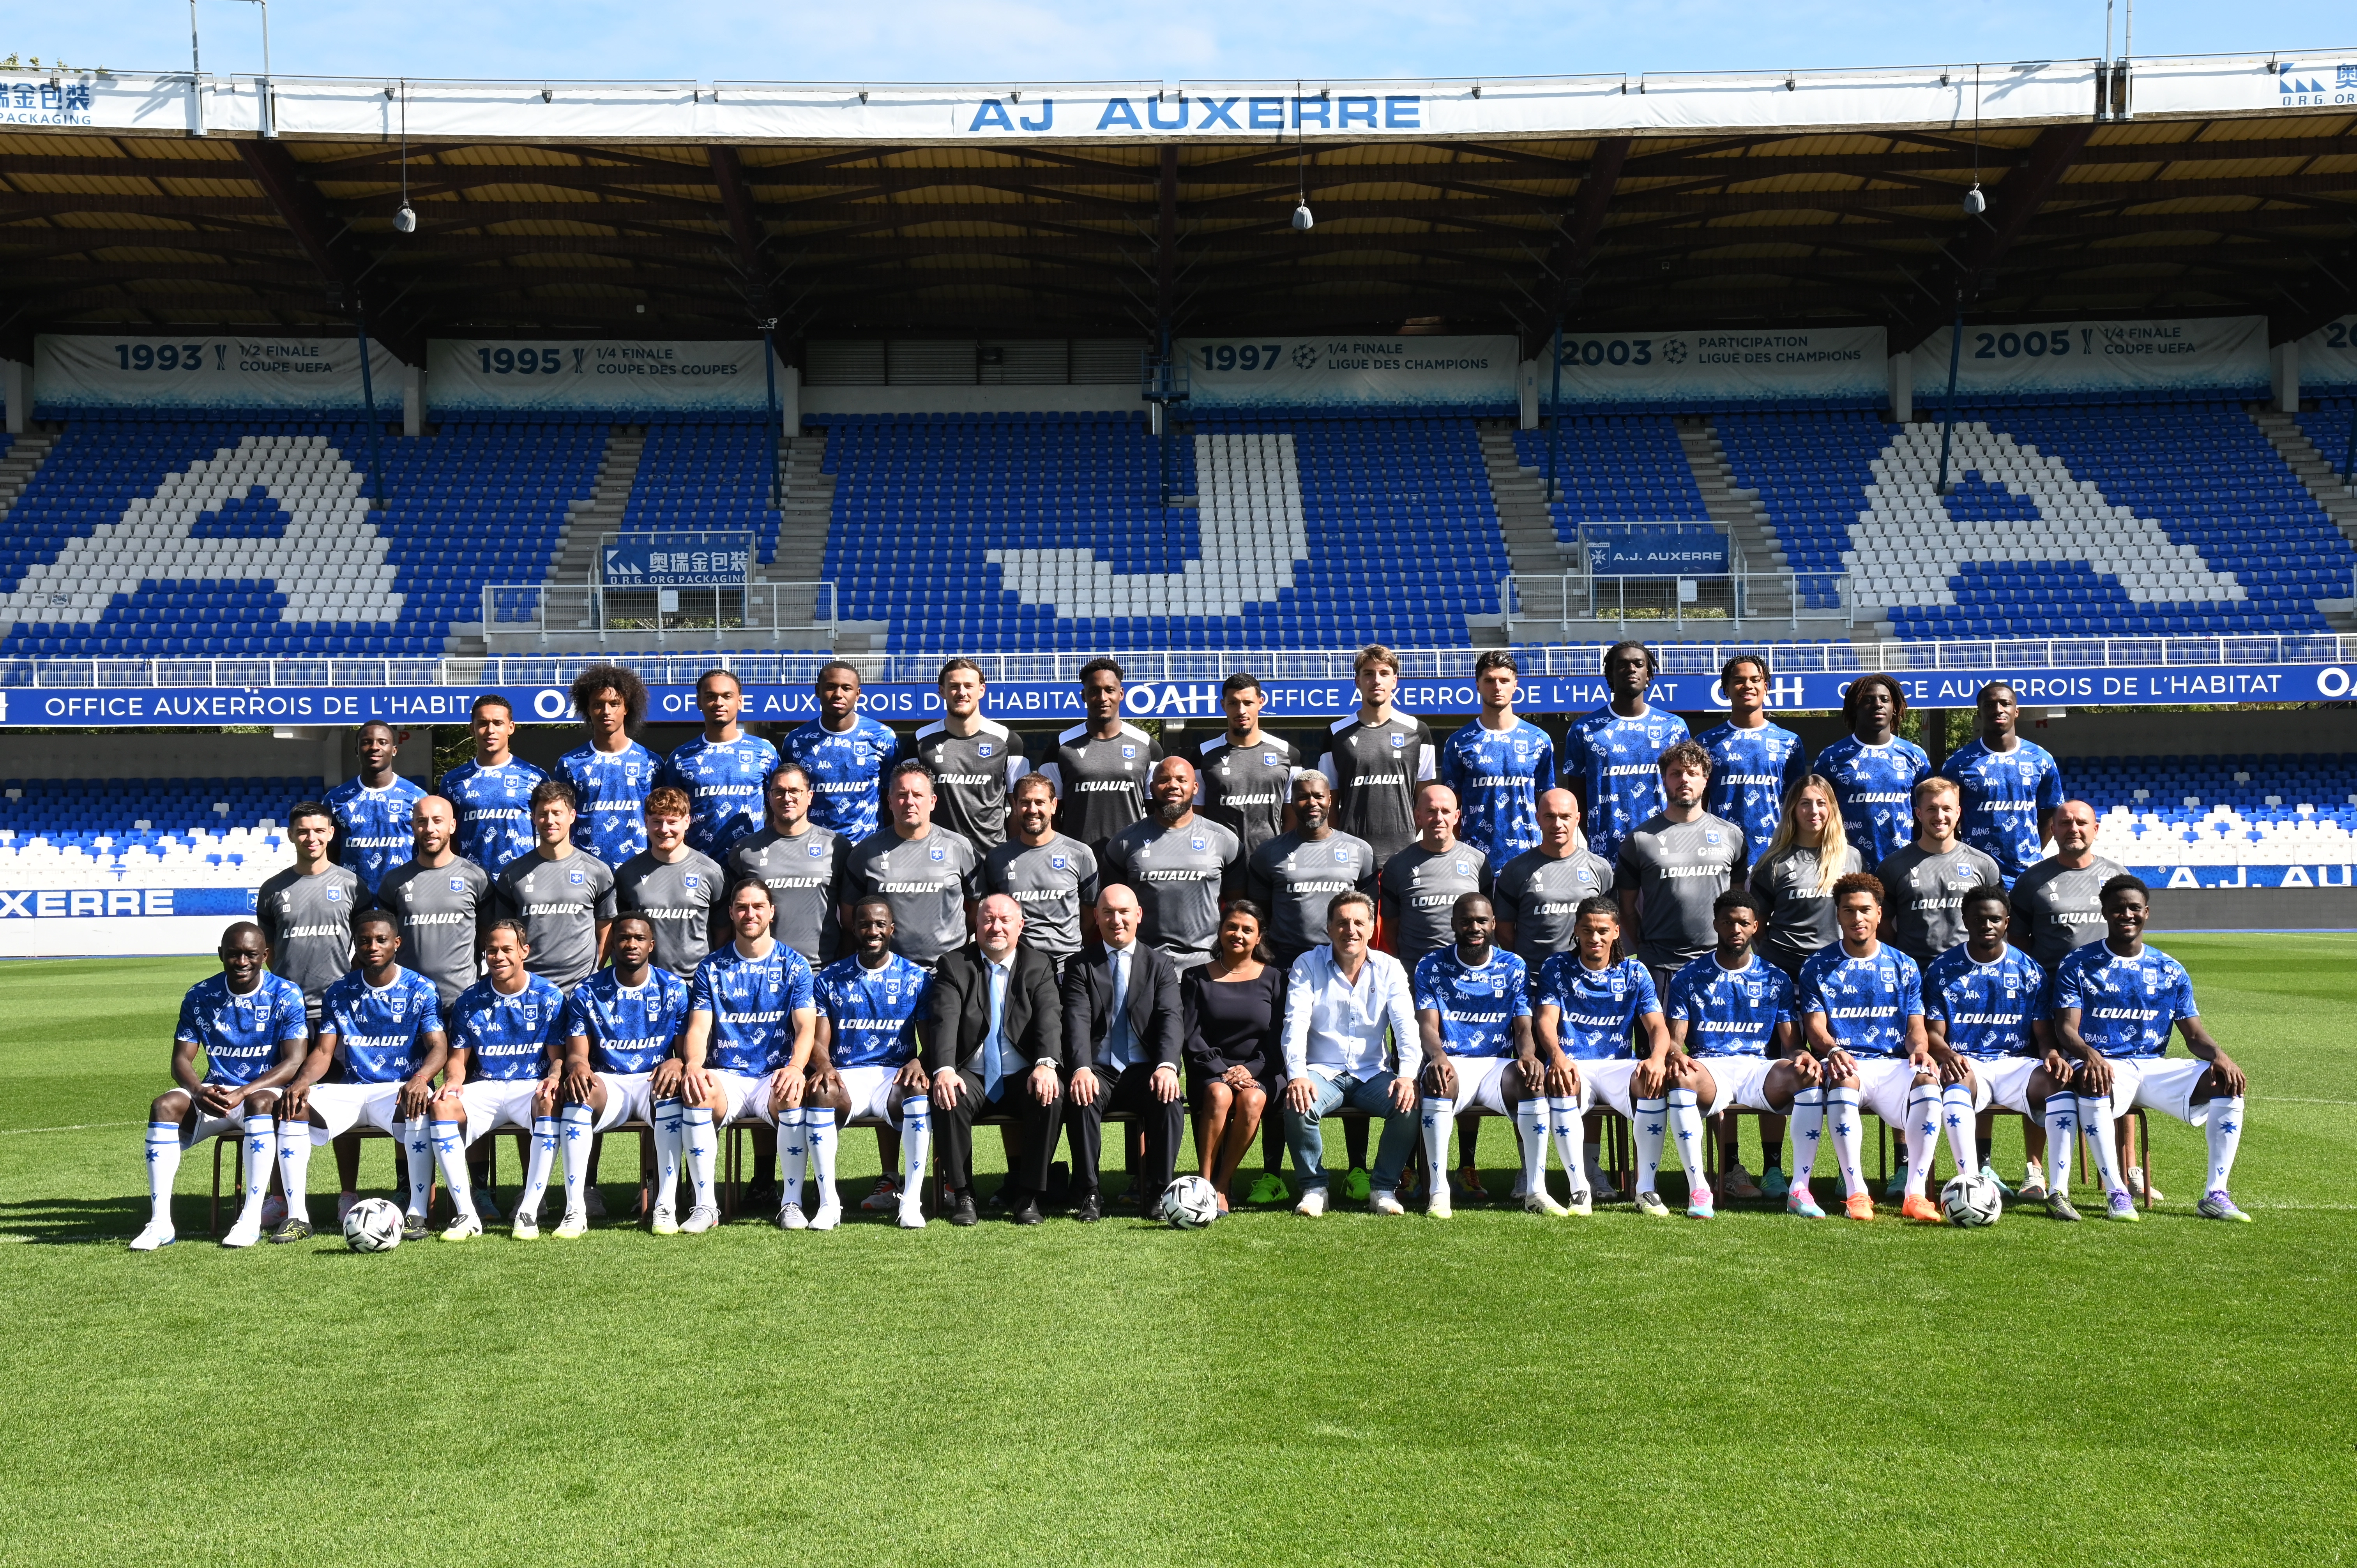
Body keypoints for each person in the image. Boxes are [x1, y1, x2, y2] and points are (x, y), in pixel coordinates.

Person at [2048, 876, 2251, 1224]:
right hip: (2104, 1065)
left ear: (2146, 912)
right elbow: (2066, 1028)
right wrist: (2089, 1054)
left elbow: (2194, 1034)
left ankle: (2216, 1194)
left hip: (2153, 1066)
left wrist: (2220, 1056)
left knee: (2226, 1084)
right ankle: (2117, 1192)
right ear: (2105, 913)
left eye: (2133, 908)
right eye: (2117, 909)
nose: (2126, 914)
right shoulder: (2078, 963)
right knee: (2095, 1080)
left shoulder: (2169, 969)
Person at [130, 922, 310, 1251]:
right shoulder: (200, 995)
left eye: (251, 955)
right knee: (164, 1106)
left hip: (259, 1095)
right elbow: (180, 1061)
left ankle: (250, 1219)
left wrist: (242, 1092)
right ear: (221, 956)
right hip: (213, 1095)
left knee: (260, 1103)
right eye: (233, 955)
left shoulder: (286, 993)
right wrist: (199, 1091)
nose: (242, 962)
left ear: (265, 956)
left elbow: (294, 1061)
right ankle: (160, 1223)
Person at [274, 909, 448, 1243]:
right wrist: (301, 1082)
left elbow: (438, 1047)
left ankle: (416, 1214)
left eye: (381, 940)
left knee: (419, 1104)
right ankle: (297, 1217)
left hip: (398, 1088)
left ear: (397, 943)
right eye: (365, 941)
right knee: (293, 1106)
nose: (373, 947)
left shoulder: (421, 988)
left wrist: (422, 1078)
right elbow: (324, 1052)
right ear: (356, 944)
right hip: (352, 1090)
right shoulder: (340, 991)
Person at [670, 880, 818, 1234]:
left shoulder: (795, 966)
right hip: (728, 1074)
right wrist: (693, 1065)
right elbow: (699, 1028)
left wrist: (797, 1068)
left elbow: (806, 1030)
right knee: (698, 1090)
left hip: (774, 1073)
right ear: (732, 913)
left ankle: (792, 1203)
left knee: (792, 1091)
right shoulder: (711, 968)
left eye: (757, 907)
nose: (749, 914)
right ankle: (705, 1206)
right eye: (741, 907)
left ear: (771, 912)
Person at [1656, 890, 1813, 1219]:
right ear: (1716, 925)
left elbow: (1791, 1044)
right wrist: (1673, 1053)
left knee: (1804, 1074)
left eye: (1743, 922)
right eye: (1728, 922)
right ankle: (1699, 1187)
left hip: (1757, 1067)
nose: (1735, 929)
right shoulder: (1689, 976)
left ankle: (1800, 1187)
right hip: (1710, 1066)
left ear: (1757, 926)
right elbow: (1675, 1040)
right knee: (1683, 1075)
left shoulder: (1776, 977)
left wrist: (1804, 1055)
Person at [1740, 775, 1861, 1200]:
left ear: (1832, 810)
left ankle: (1851, 1172)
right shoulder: (1773, 862)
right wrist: (1778, 963)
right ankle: (1773, 1167)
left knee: (1843, 1062)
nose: (1814, 812)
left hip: (1835, 980)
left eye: (1821, 804)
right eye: (1805, 804)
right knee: (1781, 1065)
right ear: (1792, 810)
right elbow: (1757, 925)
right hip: (1784, 974)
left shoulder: (1851, 858)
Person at [1792, 873, 1929, 1223]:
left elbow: (1916, 1028)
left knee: (1928, 1082)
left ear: (1880, 914)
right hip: (1846, 1062)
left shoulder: (1904, 965)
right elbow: (1815, 1028)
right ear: (1837, 915)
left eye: (1865, 910)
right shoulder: (1817, 966)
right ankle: (1857, 1193)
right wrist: (1834, 1050)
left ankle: (1916, 1193)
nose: (1858, 919)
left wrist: (1921, 1049)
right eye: (1849, 911)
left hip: (1894, 1064)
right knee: (1843, 1080)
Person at [924, 893, 1066, 1225]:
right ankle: (963, 1195)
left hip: (1022, 1073)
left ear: (1021, 925)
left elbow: (1050, 1018)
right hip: (971, 1073)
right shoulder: (954, 964)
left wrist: (1046, 1064)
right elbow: (945, 1019)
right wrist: (944, 1069)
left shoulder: (1039, 964)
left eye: (1004, 920)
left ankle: (1028, 1195)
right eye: (988, 920)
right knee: (949, 1095)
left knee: (1051, 1094)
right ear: (976, 924)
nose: (996, 927)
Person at [1279, 889, 1422, 1217]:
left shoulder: (1390, 968)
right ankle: (1314, 1189)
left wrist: (1407, 1076)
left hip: (1372, 1073)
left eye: (1359, 922)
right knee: (1298, 1103)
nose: (1351, 930)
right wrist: (1298, 1074)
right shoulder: (1308, 964)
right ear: (1329, 928)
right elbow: (1295, 1022)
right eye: (1342, 923)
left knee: (1409, 1104)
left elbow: (1406, 1025)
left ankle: (1384, 1190)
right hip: (1321, 1071)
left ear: (1372, 928)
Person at [1922, 886, 2063, 1208]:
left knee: (2056, 1081)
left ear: (2007, 923)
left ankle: (2044, 1177)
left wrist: (2052, 1055)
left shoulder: (2029, 971)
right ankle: (1971, 1179)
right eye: (1979, 919)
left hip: (2016, 1063)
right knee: (1957, 1079)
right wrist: (1947, 1054)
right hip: (1966, 1062)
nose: (1987, 925)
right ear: (1965, 921)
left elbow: (2043, 1036)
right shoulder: (1942, 969)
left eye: (1995, 919)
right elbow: (1933, 1033)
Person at [427, 920, 567, 1243]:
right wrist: (452, 1080)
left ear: (524, 951)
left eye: (507, 949)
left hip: (529, 1085)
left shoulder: (549, 995)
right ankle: (466, 1214)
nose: (498, 956)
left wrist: (555, 1075)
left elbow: (558, 1055)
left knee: (549, 1099)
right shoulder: (470, 999)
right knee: (443, 1105)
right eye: (491, 950)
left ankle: (529, 1210)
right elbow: (459, 1059)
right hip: (487, 1086)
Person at [800, 898, 935, 1230]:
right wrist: (825, 1066)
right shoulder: (830, 978)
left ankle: (912, 1203)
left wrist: (920, 1060)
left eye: (879, 925)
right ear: (854, 928)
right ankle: (829, 1204)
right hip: (847, 1075)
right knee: (820, 1090)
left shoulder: (916, 977)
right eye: (864, 925)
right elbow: (818, 1042)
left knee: (918, 1086)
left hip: (894, 1076)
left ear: (892, 929)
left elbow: (932, 1041)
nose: (872, 931)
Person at [1532, 897, 1667, 1216]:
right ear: (1577, 930)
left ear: (1617, 932)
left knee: (1651, 1081)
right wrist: (1557, 1055)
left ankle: (1646, 1189)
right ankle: (1580, 1189)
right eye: (1588, 930)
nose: (1595, 938)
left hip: (1618, 1064)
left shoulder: (1634, 971)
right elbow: (1545, 1021)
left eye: (1603, 931)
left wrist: (1658, 1058)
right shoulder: (1557, 967)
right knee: (1563, 1082)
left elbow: (1657, 1026)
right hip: (1573, 1063)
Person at [559, 913, 692, 1233]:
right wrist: (578, 1066)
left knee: (672, 1090)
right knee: (580, 1090)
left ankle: (666, 1204)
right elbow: (578, 1052)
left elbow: (687, 1051)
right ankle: (575, 1208)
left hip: (653, 1079)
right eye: (623, 938)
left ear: (651, 945)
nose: (631, 944)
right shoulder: (587, 991)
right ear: (613, 944)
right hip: (610, 1081)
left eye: (639, 939)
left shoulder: (673, 988)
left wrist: (678, 1063)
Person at [1061, 883, 1186, 1221]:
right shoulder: (1080, 965)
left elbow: (1171, 1019)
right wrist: (1081, 1069)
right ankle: (1089, 1191)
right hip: (1099, 1069)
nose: (1117, 920)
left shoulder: (1161, 964)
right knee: (1081, 1096)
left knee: (1170, 1100)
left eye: (1124, 912)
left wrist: (1167, 1066)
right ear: (1096, 918)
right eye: (1108, 912)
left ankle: (1160, 1192)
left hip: (1145, 1069)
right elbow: (1076, 1020)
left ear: (1139, 916)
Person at [1411, 893, 1536, 1218]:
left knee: (1533, 1082)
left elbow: (1523, 1028)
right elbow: (1427, 1026)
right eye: (1466, 921)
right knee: (1438, 1081)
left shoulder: (1513, 965)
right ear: (1454, 924)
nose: (1474, 927)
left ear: (1494, 924)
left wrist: (1528, 1055)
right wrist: (1437, 1056)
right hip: (1453, 1060)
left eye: (1482, 921)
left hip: (1498, 1064)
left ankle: (1536, 1189)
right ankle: (1439, 1193)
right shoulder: (1432, 964)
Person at [1615, 740, 1746, 1000]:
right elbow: (1627, 909)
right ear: (1664, 780)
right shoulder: (1640, 839)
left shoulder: (1732, 836)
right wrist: (1648, 947)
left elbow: (1739, 904)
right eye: (1676, 773)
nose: (1684, 779)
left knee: (1721, 1041)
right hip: (1660, 965)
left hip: (1718, 962)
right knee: (1657, 1042)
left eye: (1692, 773)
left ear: (1705, 780)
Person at [1181, 899, 1285, 1212]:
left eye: (1247, 929)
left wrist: (1250, 1070)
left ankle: (1223, 1185)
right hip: (1210, 1071)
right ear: (1220, 931)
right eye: (1232, 927)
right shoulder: (1195, 977)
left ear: (1259, 937)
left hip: (1262, 1071)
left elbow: (1278, 1037)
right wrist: (1221, 1070)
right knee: (1219, 1094)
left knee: (1252, 1100)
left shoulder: (1276, 979)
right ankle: (1203, 1184)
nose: (1238, 934)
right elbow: (1191, 1034)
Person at [1101, 755, 1243, 971]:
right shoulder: (1124, 843)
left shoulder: (1224, 840)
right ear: (1151, 787)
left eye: (1181, 780)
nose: (1173, 786)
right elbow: (1111, 910)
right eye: (1164, 780)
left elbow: (1238, 909)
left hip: (1207, 965)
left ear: (1195, 788)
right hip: (1144, 966)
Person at [1558, 639, 1689, 866]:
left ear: (1649, 675)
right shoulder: (1584, 729)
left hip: (1667, 846)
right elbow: (1577, 796)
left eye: (1638, 664)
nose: (1631, 669)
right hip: (1606, 852)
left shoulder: (1674, 727)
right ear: (1609, 676)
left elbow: (1686, 789)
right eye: (1622, 665)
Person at [843, 759, 982, 969]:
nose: (910, 802)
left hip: (948, 972)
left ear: (933, 801)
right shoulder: (865, 852)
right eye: (902, 795)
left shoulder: (960, 848)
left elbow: (976, 910)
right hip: (888, 971)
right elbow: (849, 918)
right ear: (890, 801)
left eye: (918, 795)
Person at [1316, 643, 1437, 867]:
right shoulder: (1335, 733)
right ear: (1358, 681)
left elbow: (1425, 799)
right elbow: (1330, 802)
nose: (1377, 680)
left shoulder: (1418, 731)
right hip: (1351, 853)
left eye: (1384, 673)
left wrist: (1415, 842)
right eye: (1369, 674)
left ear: (1395, 681)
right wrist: (1336, 844)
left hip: (1405, 854)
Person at [490, 779, 616, 992]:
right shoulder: (513, 874)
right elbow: (505, 935)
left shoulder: (598, 871)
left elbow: (606, 935)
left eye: (557, 813)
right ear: (533, 818)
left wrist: (594, 975)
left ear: (572, 816)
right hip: (529, 988)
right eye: (543, 814)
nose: (550, 820)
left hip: (581, 988)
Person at [726, 760, 852, 968]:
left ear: (810, 797)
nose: (787, 799)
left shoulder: (837, 847)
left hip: (822, 968)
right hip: (762, 967)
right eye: (779, 792)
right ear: (769, 797)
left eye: (795, 791)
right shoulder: (744, 851)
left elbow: (849, 923)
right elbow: (734, 919)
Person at [1940, 680, 2064, 886]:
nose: (1998, 710)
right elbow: (1943, 815)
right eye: (1989, 705)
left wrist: (2030, 852)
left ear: (2016, 711)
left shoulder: (2041, 759)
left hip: (2028, 874)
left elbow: (2050, 813)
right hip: (1974, 874)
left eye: (2005, 704)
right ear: (1979, 713)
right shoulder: (1957, 763)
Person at [1246, 770, 1376, 965]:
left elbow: (1368, 914)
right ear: (1291, 802)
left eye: (1318, 796)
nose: (1312, 803)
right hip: (1286, 961)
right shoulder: (1268, 853)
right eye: (1303, 797)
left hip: (1343, 960)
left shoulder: (1360, 850)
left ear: (1330, 800)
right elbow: (1259, 915)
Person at [1439, 651, 1556, 863]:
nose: (1497, 687)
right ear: (1477, 685)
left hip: (1528, 857)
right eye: (1490, 680)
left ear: (1515, 685)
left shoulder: (1539, 740)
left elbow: (1547, 801)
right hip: (1474, 858)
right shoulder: (1459, 742)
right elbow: (1451, 807)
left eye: (1504, 680)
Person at [377, 796, 492, 1011]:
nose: (429, 828)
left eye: (438, 821)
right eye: (422, 821)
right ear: (413, 827)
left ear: (452, 825)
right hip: (408, 1001)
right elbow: (386, 943)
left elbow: (488, 936)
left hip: (463, 1002)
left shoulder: (477, 878)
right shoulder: (394, 882)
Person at [1875, 776, 2003, 968]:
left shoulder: (1983, 865)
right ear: (1919, 813)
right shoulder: (1893, 866)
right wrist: (1903, 958)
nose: (1940, 816)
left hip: (1968, 970)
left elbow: (1998, 922)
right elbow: (1880, 922)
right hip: (1915, 972)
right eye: (1931, 809)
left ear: (1959, 812)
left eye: (1947, 809)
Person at [984, 772, 1100, 980]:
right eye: (1025, 802)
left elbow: (1090, 912)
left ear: (1054, 806)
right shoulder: (996, 859)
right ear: (1016, 805)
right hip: (1017, 969)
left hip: (1068, 968)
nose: (1033, 810)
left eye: (1040, 802)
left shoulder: (1080, 854)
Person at [256, 800, 362, 1028]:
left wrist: (348, 977)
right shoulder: (272, 889)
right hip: (287, 1005)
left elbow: (366, 943)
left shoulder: (353, 885)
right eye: (303, 832)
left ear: (331, 833)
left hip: (338, 1004)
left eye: (319, 831)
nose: (312, 838)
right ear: (291, 835)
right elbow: (269, 950)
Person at [1698, 655, 1809, 869]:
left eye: (1755, 680)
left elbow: (1797, 803)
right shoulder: (1706, 742)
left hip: (1777, 855)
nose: (1747, 685)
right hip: (1721, 855)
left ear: (1765, 687)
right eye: (1739, 680)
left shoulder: (1790, 742)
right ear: (1726, 690)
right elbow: (1699, 802)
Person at [1040, 657, 1160, 853]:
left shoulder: (1148, 746)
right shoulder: (1060, 747)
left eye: (1109, 690)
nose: (1102, 697)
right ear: (1083, 696)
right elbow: (1050, 815)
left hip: (1132, 856)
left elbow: (1157, 812)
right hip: (1077, 859)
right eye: (1094, 691)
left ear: (1121, 694)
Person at [660, 667, 781, 860]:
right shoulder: (680, 758)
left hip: (753, 861)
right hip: (698, 865)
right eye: (711, 696)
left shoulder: (765, 751)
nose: (719, 703)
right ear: (699, 702)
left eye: (727, 696)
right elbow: (671, 816)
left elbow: (779, 808)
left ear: (740, 701)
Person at [911, 657, 1029, 853]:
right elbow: (910, 804)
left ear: (982, 690)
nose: (962, 693)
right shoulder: (920, 741)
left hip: (993, 856)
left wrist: (1010, 854)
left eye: (969, 686)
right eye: (954, 686)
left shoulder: (1008, 741)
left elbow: (1019, 808)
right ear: (942, 691)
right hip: (936, 856)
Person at [1813, 673, 1929, 871]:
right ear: (1854, 708)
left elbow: (1925, 813)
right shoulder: (1831, 758)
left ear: (1895, 708)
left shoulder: (1915, 755)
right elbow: (1820, 815)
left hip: (1906, 865)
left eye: (1885, 700)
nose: (1878, 705)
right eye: (1868, 700)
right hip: (1846, 864)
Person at [1492, 788, 1615, 968]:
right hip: (1534, 980)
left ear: (1578, 819)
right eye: (1550, 816)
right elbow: (1503, 931)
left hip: (1585, 976)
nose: (1558, 824)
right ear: (1538, 819)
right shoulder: (1515, 870)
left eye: (1565, 817)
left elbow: (1609, 926)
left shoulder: (1600, 868)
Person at [781, 659, 901, 842]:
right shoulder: (796, 741)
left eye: (847, 688)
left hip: (868, 848)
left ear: (858, 694)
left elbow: (891, 796)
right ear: (817, 691)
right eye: (831, 687)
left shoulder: (883, 738)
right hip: (812, 849)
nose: (838, 694)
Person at [556, 663, 662, 869]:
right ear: (587, 709)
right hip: (584, 871)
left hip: (641, 871)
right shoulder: (570, 764)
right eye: (598, 704)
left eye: (614, 704)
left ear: (627, 708)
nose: (606, 711)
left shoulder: (651, 762)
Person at [613, 786, 726, 978]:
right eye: (657, 822)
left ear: (687, 822)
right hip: (646, 982)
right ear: (646, 821)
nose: (665, 830)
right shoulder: (627, 874)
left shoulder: (711, 872)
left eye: (672, 822)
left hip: (697, 982)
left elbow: (722, 932)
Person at [1191, 670, 1303, 859]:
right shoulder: (1202, 755)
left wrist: (1281, 855)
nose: (1241, 711)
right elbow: (1196, 818)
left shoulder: (1288, 754)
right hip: (1221, 864)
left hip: (1271, 862)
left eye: (1248, 703)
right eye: (1233, 703)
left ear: (1261, 703)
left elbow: (1293, 818)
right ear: (1223, 705)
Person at [1380, 782, 1486, 971]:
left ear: (1456, 817)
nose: (1439, 818)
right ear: (1418, 816)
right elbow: (1390, 930)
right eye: (1431, 811)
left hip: (1468, 974)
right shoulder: (1397, 866)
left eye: (1446, 811)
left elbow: (1488, 923)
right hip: (1416, 976)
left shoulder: (1478, 862)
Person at [439, 694, 548, 874]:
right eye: (483, 723)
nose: (491, 730)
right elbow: (446, 836)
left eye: (498, 723)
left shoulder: (535, 777)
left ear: (511, 728)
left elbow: (551, 828)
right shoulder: (453, 781)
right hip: (469, 882)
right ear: (472, 729)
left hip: (524, 879)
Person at [2010, 800, 2124, 973]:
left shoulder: (2118, 876)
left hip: (2107, 986)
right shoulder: (2030, 880)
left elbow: (2130, 931)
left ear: (2095, 830)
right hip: (2052, 987)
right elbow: (2018, 939)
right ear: (2053, 830)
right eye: (2065, 823)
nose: (2074, 829)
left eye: (2082, 823)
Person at [325, 720, 425, 898]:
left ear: (394, 750)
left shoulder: (417, 798)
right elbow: (329, 854)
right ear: (357, 751)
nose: (374, 747)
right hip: (352, 898)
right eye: (366, 742)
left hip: (405, 897)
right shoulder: (336, 799)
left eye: (382, 742)